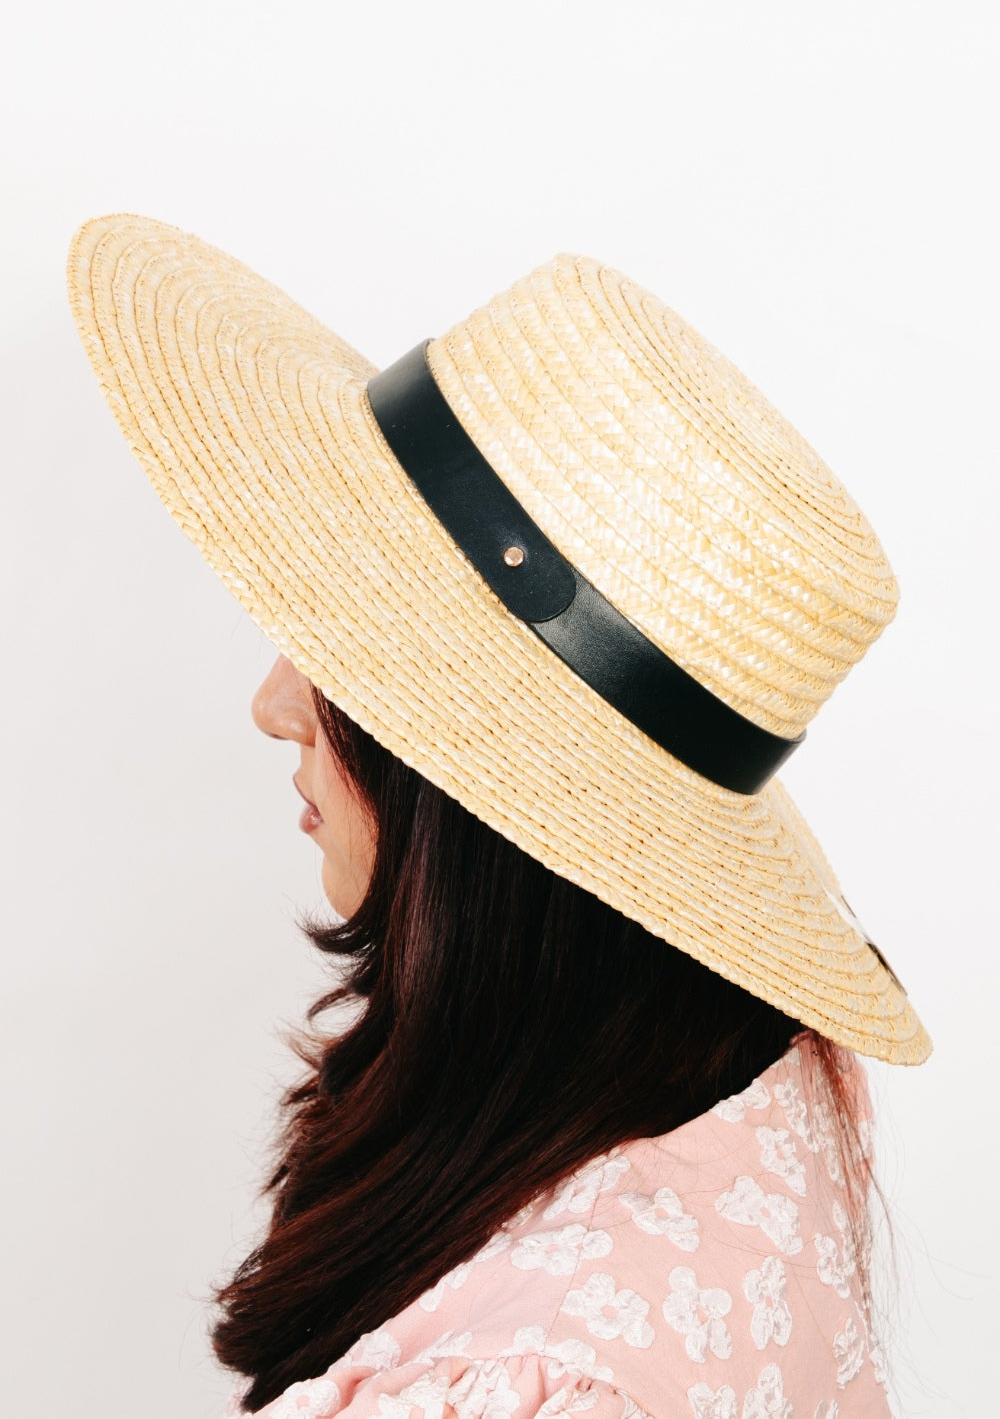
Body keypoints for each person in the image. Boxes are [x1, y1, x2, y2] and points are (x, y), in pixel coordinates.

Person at [67, 215, 931, 1419]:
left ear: (484, 803)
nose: (273, 706)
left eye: (345, 655)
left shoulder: (524, 1389)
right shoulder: (752, 1069)